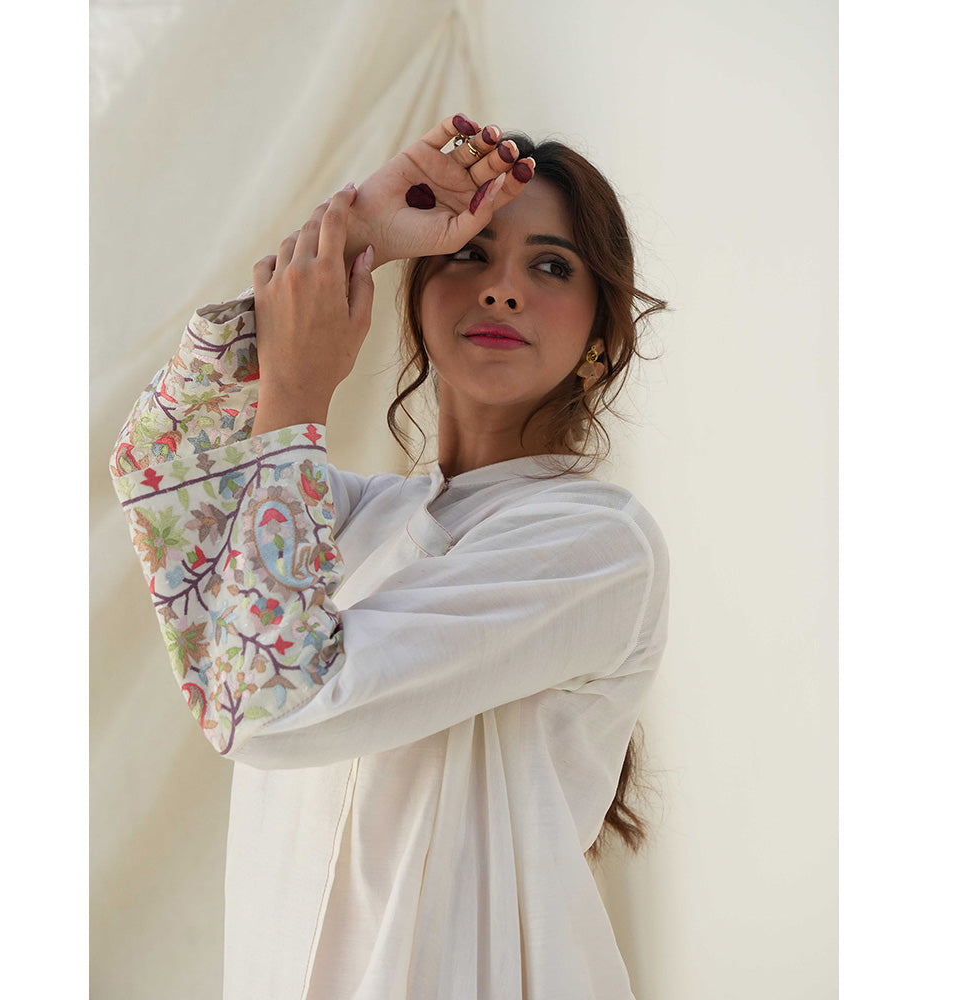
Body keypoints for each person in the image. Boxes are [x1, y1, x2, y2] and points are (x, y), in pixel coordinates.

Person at [110, 112, 670, 1000]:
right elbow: (164, 463)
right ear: (417, 301)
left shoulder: (594, 543)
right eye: (469, 255)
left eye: (552, 267)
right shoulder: (355, 515)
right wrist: (357, 234)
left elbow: (271, 708)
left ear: (602, 335)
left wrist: (299, 394)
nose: (503, 290)